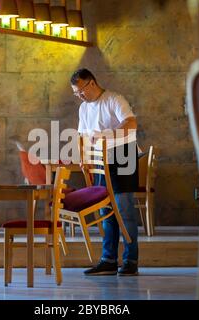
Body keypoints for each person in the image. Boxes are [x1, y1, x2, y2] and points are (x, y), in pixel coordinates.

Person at [71, 68, 139, 276]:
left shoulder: (114, 99)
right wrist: (83, 158)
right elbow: (82, 135)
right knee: (105, 212)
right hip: (100, 162)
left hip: (123, 157)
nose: (79, 96)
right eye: (76, 93)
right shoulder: (83, 108)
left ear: (91, 83)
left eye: (80, 91)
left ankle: (130, 260)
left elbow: (131, 123)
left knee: (124, 210)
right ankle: (108, 259)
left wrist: (106, 135)